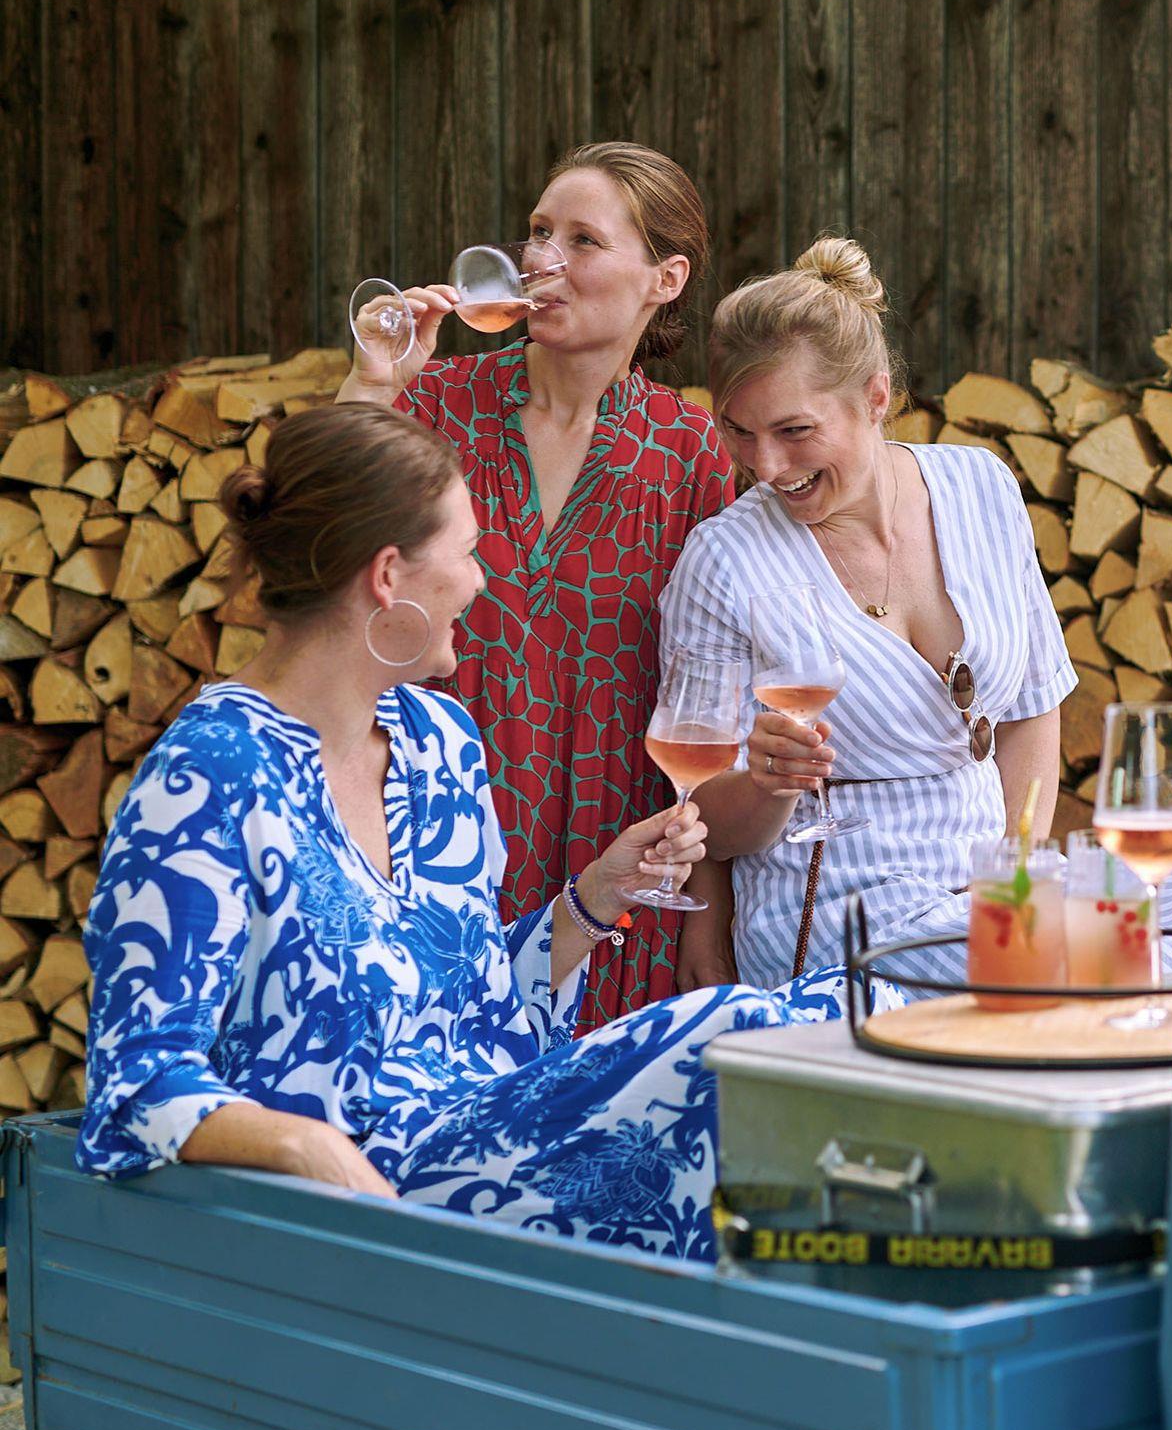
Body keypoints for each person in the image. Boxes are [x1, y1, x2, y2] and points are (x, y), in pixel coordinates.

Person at [78, 404, 877, 1261]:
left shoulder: (438, 742)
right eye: (465, 553)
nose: (481, 581)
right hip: (361, 1196)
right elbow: (137, 1080)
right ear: (388, 576)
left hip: (495, 1140)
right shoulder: (208, 775)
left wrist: (595, 897)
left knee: (844, 1010)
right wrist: (306, 1146)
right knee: (727, 1041)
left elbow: (483, 1007)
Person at [337, 141, 735, 1028]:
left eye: (582, 240)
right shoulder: (436, 405)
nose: (541, 258)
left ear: (664, 279)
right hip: (434, 842)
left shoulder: (689, 453)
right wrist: (371, 387)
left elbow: (711, 694)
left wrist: (706, 910)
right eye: (538, 231)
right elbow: (320, 549)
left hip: (619, 863)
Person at [662, 238, 1076, 986]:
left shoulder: (983, 486)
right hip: (835, 909)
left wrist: (1013, 886)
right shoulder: (723, 559)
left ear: (876, 397)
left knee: (1170, 942)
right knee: (1079, 974)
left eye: (794, 431)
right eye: (739, 431)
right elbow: (705, 816)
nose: (766, 466)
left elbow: (1032, 712)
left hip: (983, 899)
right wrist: (765, 785)